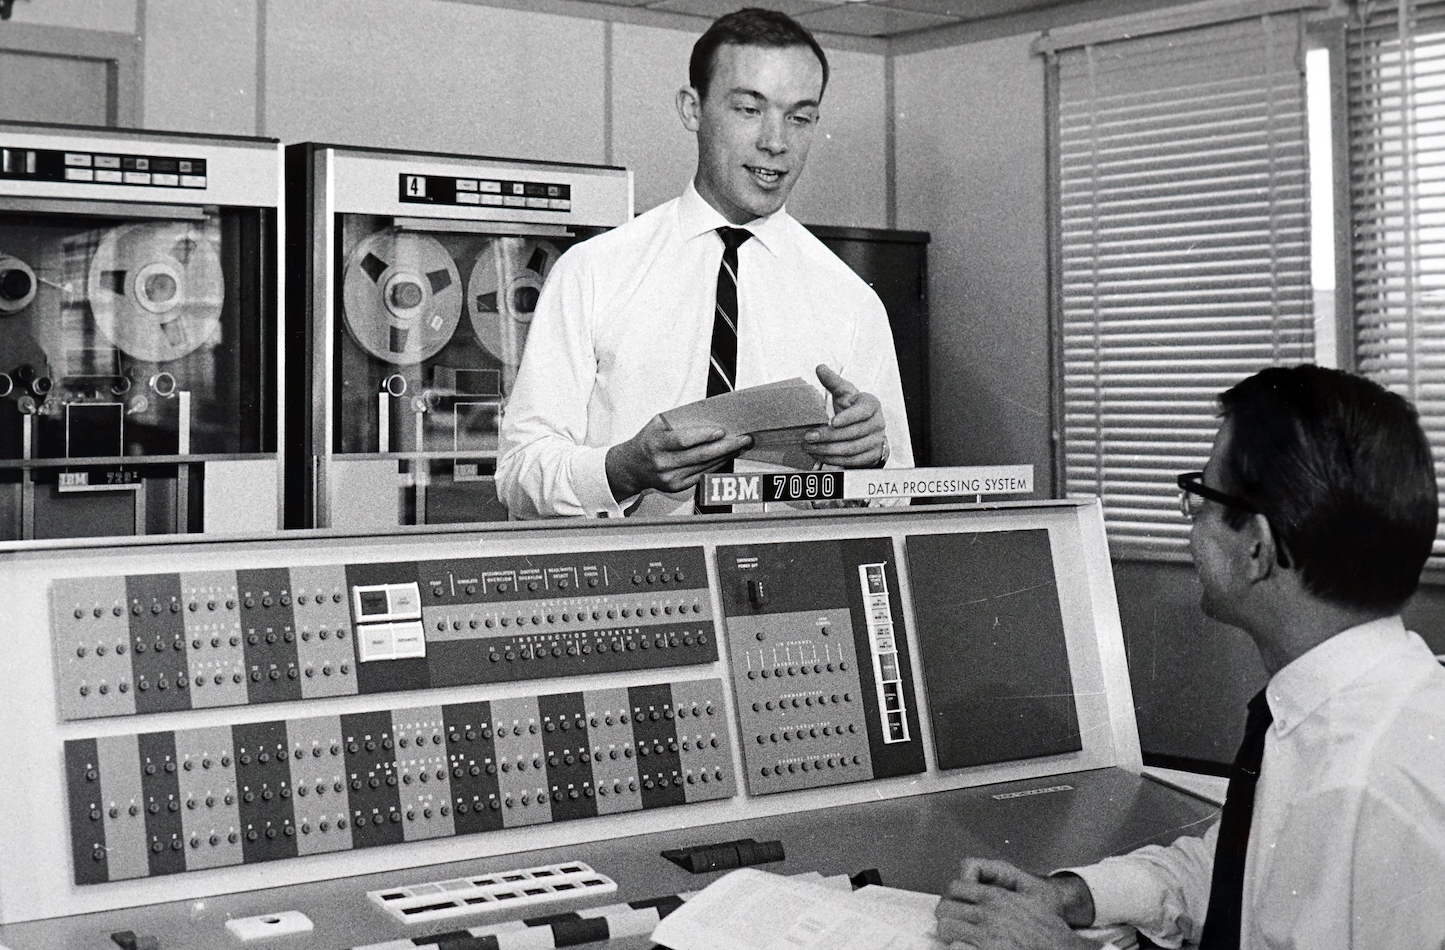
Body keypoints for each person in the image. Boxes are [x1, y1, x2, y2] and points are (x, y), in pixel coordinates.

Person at [935, 365, 1445, 950]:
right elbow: (1240, 871)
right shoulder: (1354, 708)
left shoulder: (1360, 791)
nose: (1190, 525)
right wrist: (1072, 895)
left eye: (1199, 499)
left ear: (1256, 546)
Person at [496, 7, 912, 519]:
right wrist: (623, 469)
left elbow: (899, 500)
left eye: (799, 117)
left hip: (787, 585)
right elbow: (518, 473)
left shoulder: (851, 301)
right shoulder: (593, 272)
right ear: (692, 109)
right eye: (749, 110)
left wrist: (874, 457)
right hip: (636, 584)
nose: (775, 142)